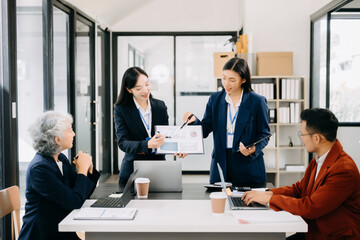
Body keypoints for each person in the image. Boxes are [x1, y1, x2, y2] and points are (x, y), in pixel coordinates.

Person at [242, 108, 360, 240]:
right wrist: (268, 193)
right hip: (314, 231)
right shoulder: (320, 159)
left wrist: (270, 199)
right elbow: (299, 189)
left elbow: (311, 207)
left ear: (316, 138)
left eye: (302, 135)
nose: (301, 139)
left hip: (331, 236)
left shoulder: (343, 169)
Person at [184, 57, 270, 185]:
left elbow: (265, 134)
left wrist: (252, 149)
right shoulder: (215, 99)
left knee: (247, 203)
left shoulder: (257, 101)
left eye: (232, 80)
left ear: (244, 80)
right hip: (221, 164)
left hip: (248, 165)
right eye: (224, 78)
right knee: (220, 204)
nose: (226, 84)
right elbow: (205, 129)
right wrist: (194, 121)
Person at [19, 111, 100, 240]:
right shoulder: (39, 169)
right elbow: (75, 202)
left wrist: (88, 168)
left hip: (61, 227)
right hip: (44, 234)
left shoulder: (60, 158)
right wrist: (82, 169)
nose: (74, 134)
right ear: (57, 139)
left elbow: (81, 193)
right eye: (70, 130)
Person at [114, 66, 186, 188]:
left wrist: (177, 147)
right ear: (129, 89)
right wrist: (147, 145)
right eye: (138, 88)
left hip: (158, 168)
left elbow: (165, 136)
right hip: (133, 169)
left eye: (147, 84)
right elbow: (123, 143)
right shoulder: (121, 109)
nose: (145, 90)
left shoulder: (160, 106)